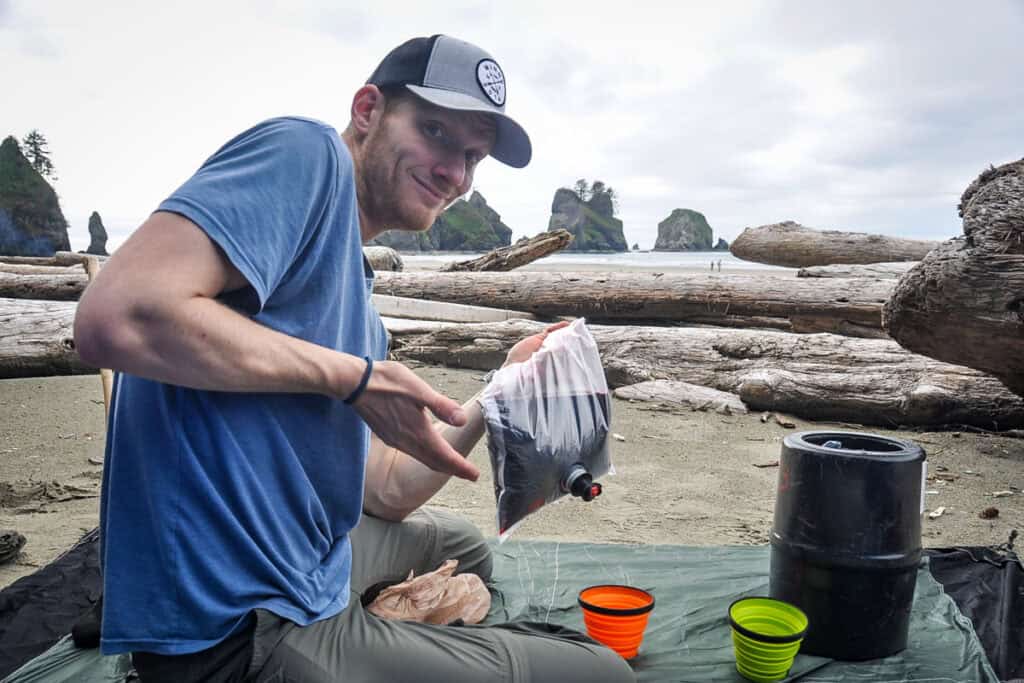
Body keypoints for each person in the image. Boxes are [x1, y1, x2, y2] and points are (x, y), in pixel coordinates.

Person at [73, 35, 635, 682]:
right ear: (367, 109)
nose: (457, 173)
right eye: (435, 132)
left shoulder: (357, 298)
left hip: (310, 557)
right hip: (240, 626)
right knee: (602, 672)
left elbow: (387, 488)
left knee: (463, 546)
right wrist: (353, 378)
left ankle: (379, 628)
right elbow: (115, 314)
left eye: (473, 156)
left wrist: (500, 389)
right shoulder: (306, 156)